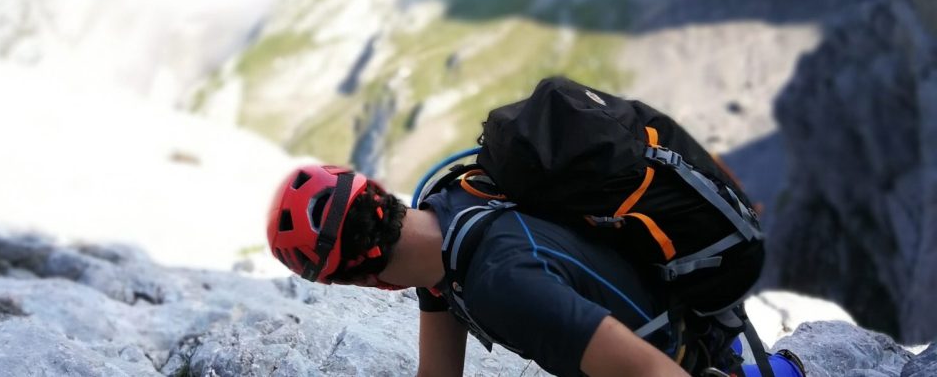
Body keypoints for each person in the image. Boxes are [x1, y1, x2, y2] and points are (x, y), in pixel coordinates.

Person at [266, 163, 806, 377]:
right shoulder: (446, 204)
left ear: (365, 281)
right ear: (380, 197)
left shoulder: (500, 283)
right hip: (675, 320)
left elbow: (652, 375)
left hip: (677, 362)